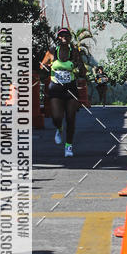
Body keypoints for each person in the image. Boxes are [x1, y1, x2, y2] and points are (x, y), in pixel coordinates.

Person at [41, 27, 86, 157]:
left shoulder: (74, 52)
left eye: (66, 35)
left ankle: (68, 146)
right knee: (57, 117)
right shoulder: (52, 51)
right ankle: (59, 128)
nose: (64, 37)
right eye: (61, 35)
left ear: (70, 38)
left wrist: (79, 67)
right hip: (55, 88)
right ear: (58, 38)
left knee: (71, 118)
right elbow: (42, 66)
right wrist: (46, 67)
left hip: (70, 88)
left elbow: (83, 70)